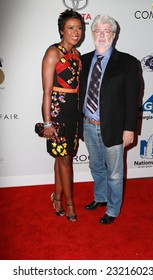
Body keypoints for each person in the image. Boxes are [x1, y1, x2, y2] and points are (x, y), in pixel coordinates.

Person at [79, 15, 141, 224]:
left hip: (115, 128)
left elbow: (133, 100)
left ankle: (113, 210)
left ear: (114, 35)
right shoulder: (84, 60)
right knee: (96, 167)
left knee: (114, 174)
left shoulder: (128, 62)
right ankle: (100, 197)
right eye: (98, 31)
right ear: (92, 33)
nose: (102, 35)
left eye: (107, 31)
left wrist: (130, 128)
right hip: (88, 125)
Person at [41, 9, 84, 222]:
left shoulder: (77, 56)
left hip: (72, 113)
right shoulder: (53, 53)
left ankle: (57, 197)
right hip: (57, 112)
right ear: (61, 30)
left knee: (62, 157)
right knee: (65, 158)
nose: (76, 32)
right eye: (70, 28)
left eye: (79, 28)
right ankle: (69, 204)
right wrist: (47, 122)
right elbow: (47, 91)